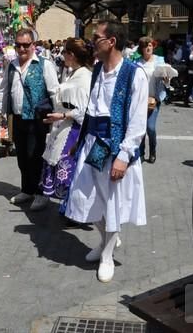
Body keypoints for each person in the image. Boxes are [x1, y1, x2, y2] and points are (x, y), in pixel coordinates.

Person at [65, 20, 148, 283]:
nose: (91, 42)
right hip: (92, 143)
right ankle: (105, 241)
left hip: (115, 147)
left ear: (111, 41)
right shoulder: (98, 69)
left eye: (96, 37)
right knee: (83, 198)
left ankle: (107, 255)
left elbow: (137, 121)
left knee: (111, 204)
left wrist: (124, 156)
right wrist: (78, 137)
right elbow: (92, 107)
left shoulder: (134, 74)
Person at [0, 28, 59, 212]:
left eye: (26, 45)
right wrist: (2, 113)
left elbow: (54, 91)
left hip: (37, 120)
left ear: (33, 45)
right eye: (19, 45)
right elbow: (4, 89)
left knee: (36, 157)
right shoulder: (12, 65)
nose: (22, 49)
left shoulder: (44, 64)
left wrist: (56, 118)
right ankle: (27, 189)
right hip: (17, 118)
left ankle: (42, 193)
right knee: (22, 157)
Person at [40, 38, 93, 201]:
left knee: (70, 172)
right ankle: (68, 208)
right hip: (62, 126)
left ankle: (73, 210)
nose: (62, 55)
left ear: (72, 55)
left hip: (73, 131)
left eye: (65, 52)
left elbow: (85, 110)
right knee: (64, 170)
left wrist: (63, 115)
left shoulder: (84, 77)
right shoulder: (72, 73)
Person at [135, 37, 169, 163]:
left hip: (155, 99)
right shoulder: (137, 62)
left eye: (150, 45)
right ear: (141, 49)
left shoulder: (159, 60)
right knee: (141, 128)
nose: (148, 48)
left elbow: (166, 80)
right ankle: (141, 153)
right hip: (140, 101)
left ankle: (153, 150)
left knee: (151, 128)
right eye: (145, 46)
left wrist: (167, 80)